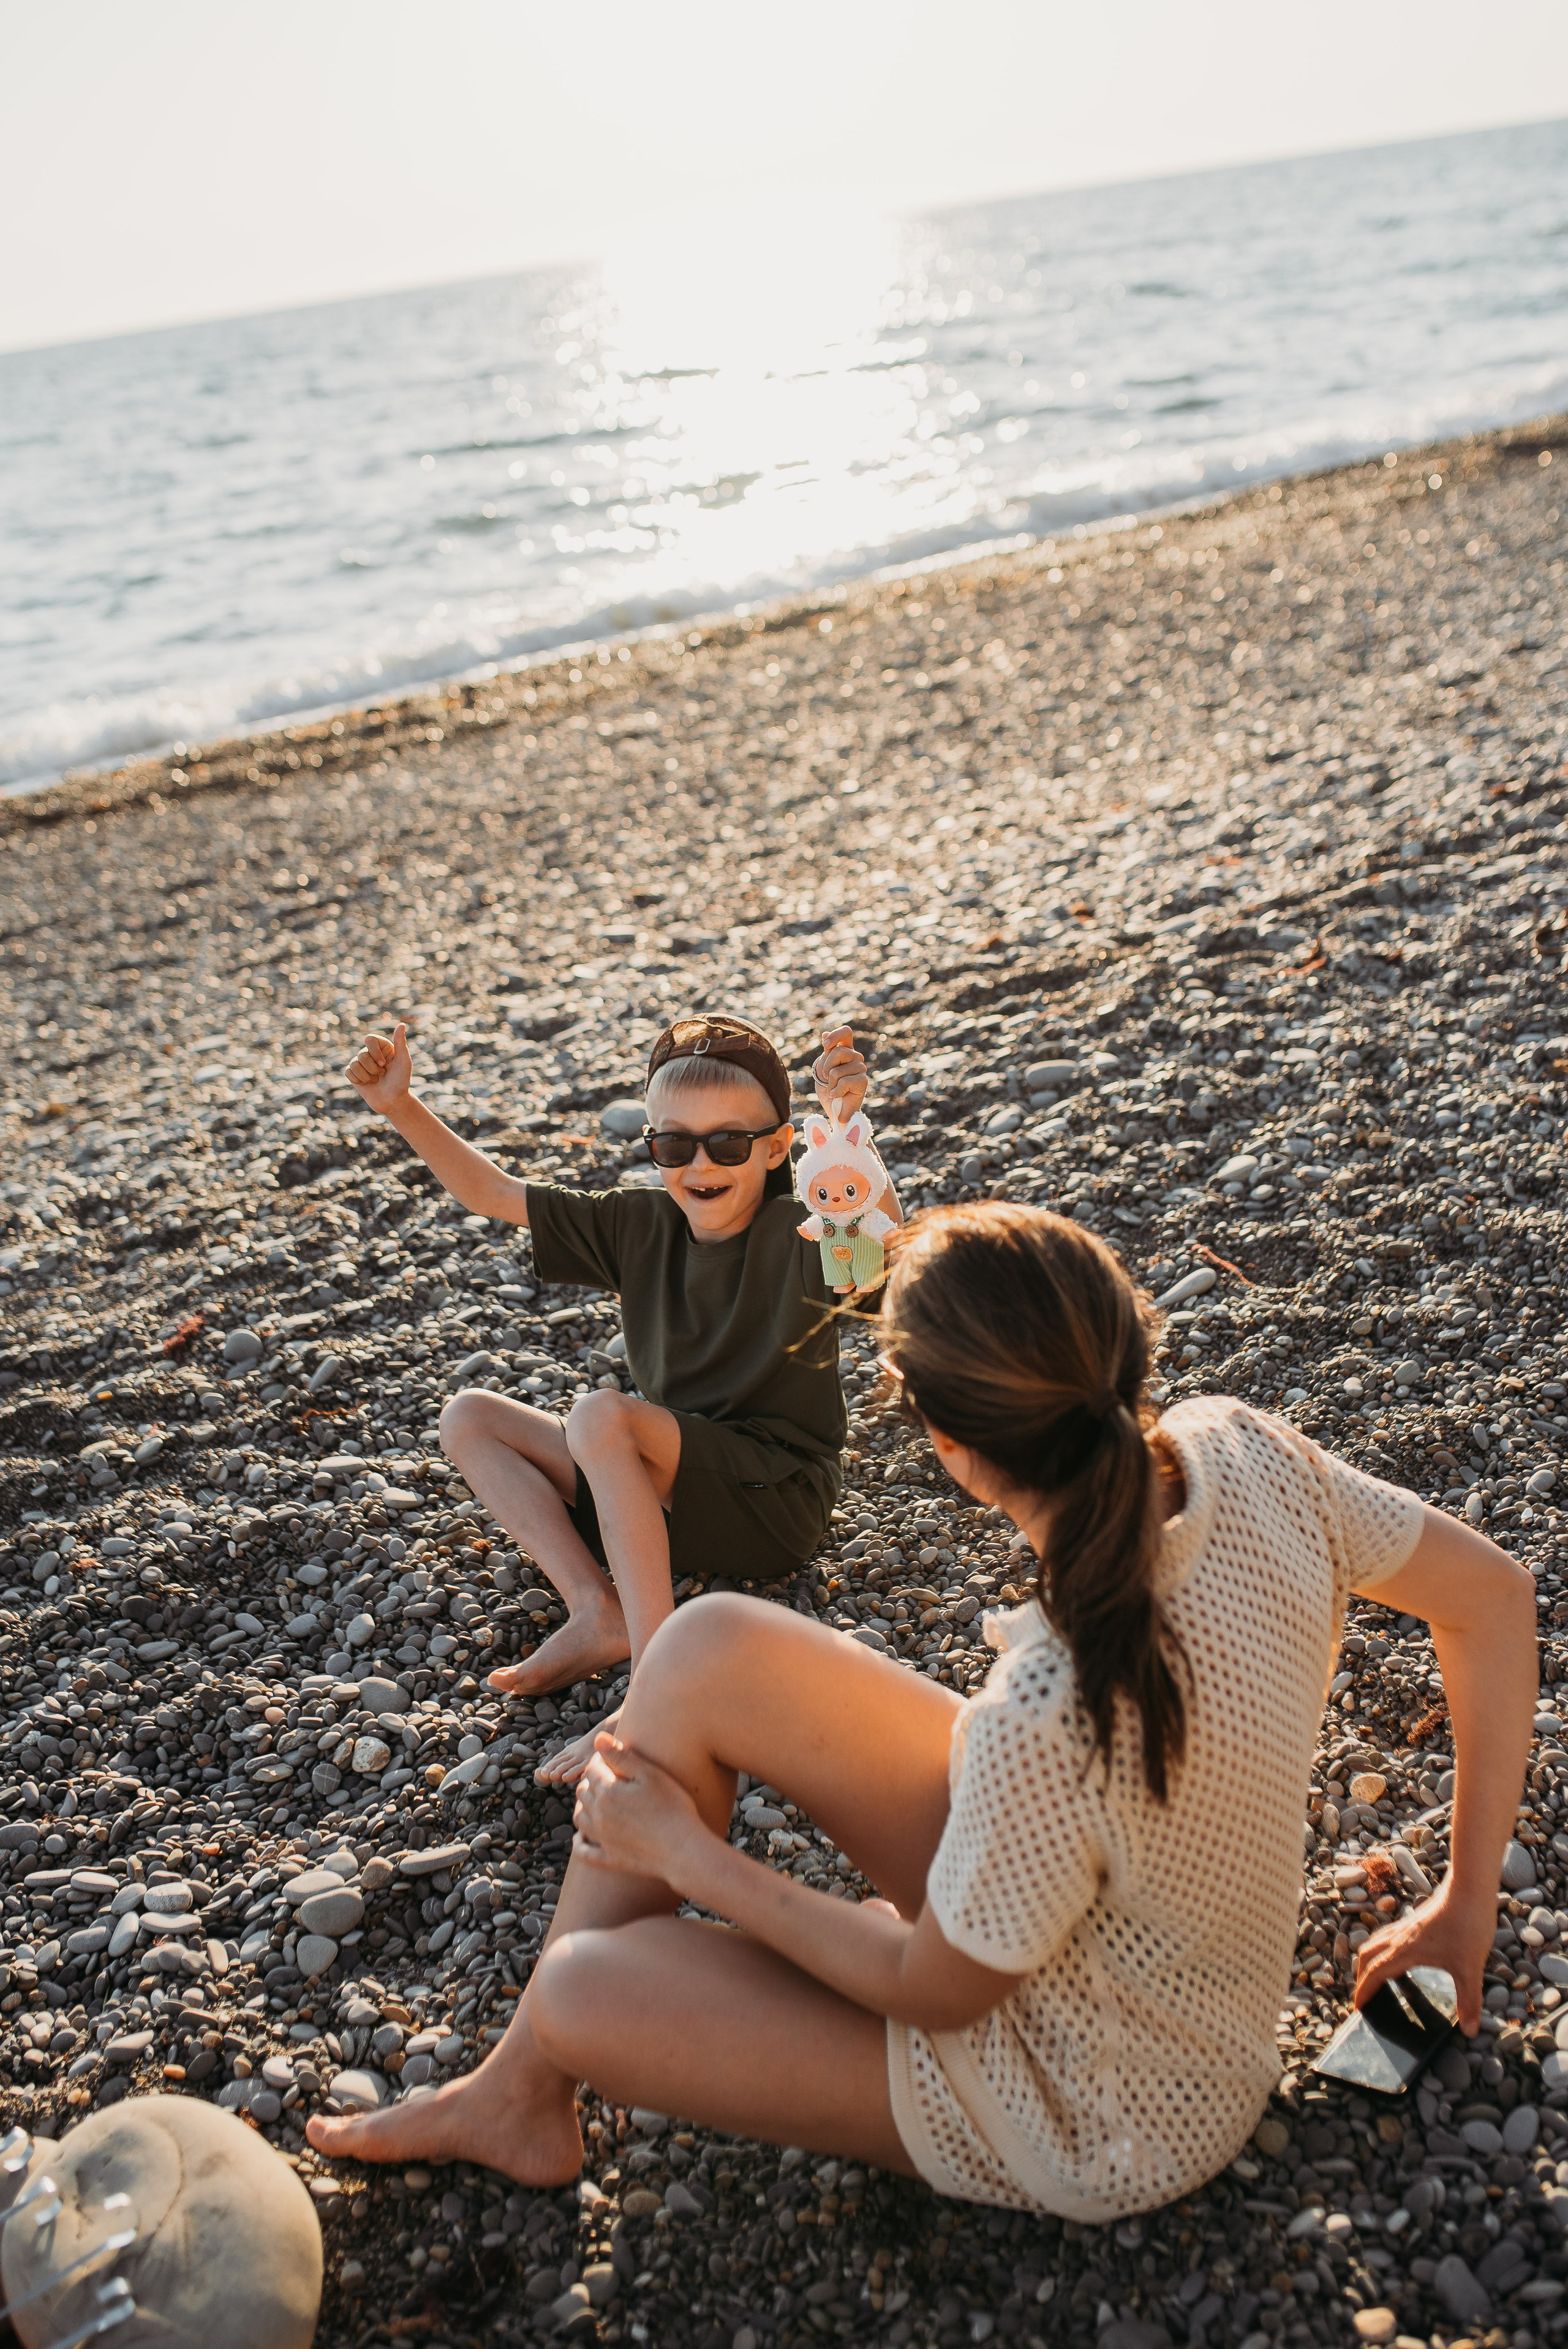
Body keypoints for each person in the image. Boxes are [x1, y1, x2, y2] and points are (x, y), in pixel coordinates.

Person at [307, 1203, 1534, 2217]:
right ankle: (517, 2096)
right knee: (704, 1641)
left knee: (581, 1989)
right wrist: (1459, 1906)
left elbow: (941, 1992)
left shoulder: (1046, 1701)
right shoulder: (1244, 1448)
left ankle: (528, 2076)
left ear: (942, 1441)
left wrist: (690, 1859)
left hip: (1110, 2112)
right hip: (1139, 1924)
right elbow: (1492, 1598)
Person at [342, 1010, 898, 1785]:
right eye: (674, 1144)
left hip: (775, 1501)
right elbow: (492, 1192)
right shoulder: (639, 1224)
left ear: (777, 1148)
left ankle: (658, 1676)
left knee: (600, 1414)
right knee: (471, 1415)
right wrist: (401, 1105)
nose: (699, 1164)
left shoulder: (800, 1233)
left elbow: (876, 1267)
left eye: (729, 1143)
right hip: (662, 1494)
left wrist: (848, 1138)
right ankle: (596, 1612)